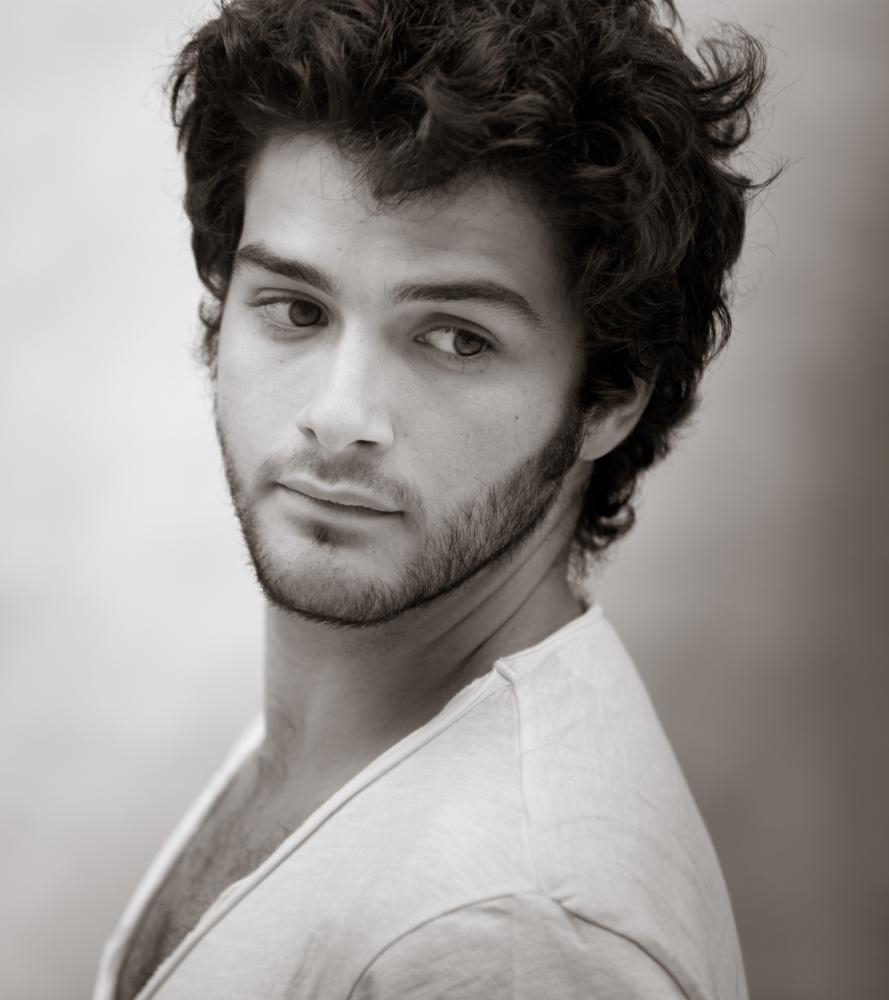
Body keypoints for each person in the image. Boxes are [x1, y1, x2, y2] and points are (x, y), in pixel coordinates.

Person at [94, 1, 772, 997]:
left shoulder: (512, 930)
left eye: (456, 338)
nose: (338, 416)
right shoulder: (350, 730)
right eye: (296, 309)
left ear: (605, 400)